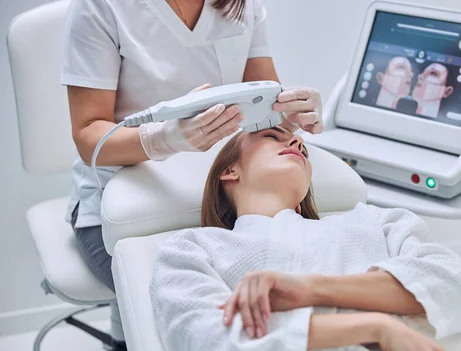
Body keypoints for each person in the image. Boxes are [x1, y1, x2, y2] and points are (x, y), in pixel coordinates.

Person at [150, 127, 461, 351]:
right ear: (229, 169)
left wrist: (308, 290)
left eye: (301, 146)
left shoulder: (376, 221)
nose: (296, 142)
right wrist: (379, 328)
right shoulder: (193, 250)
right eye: (271, 136)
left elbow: (451, 284)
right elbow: (207, 343)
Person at [61, 0, 323, 293]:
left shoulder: (244, 6)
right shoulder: (101, 7)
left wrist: (290, 113)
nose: (296, 143)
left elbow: (266, 103)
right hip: (120, 207)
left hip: (219, 205)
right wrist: (160, 139)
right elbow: (89, 136)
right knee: (183, 308)